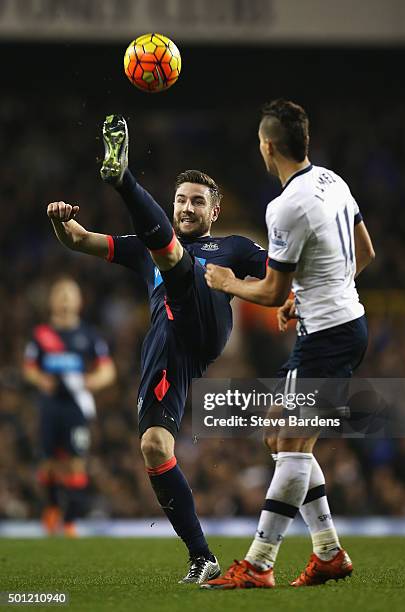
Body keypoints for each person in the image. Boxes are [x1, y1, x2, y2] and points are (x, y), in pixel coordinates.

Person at [46, 114, 267, 582]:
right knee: (153, 445)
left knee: (175, 263)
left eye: (197, 202)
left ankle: (121, 178)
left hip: (207, 321)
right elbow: (80, 241)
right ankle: (202, 557)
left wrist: (290, 300)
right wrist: (61, 222)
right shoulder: (145, 245)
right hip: (168, 345)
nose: (187, 208)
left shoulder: (234, 247)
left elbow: (277, 274)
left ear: (214, 212)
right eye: (181, 200)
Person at [203, 99, 375, 589]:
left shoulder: (285, 205)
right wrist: (311, 294)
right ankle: (328, 552)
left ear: (268, 146)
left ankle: (259, 564)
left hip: (325, 336)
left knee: (291, 445)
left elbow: (270, 290)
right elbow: (364, 252)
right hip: (343, 324)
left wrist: (228, 283)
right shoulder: (333, 180)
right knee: (280, 439)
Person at [23, 277, 116, 537]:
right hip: (50, 406)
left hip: (76, 406)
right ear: (51, 301)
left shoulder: (88, 335)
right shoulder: (41, 334)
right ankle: (52, 508)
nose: (64, 298)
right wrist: (40, 379)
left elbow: (107, 370)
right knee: (49, 463)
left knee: (76, 462)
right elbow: (29, 368)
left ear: (79, 301)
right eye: (60, 293)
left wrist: (92, 381)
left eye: (69, 294)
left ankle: (71, 521)